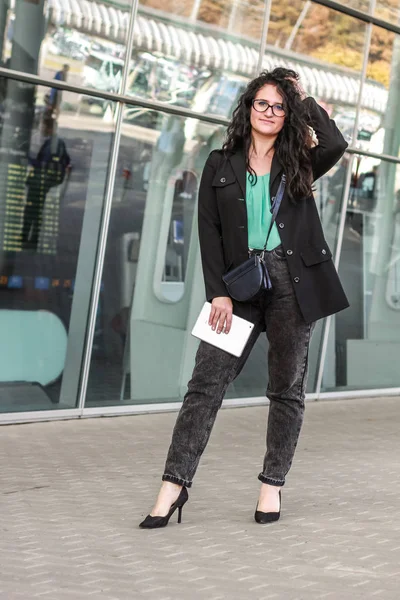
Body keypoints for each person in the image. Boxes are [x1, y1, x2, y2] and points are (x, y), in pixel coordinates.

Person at [139, 68, 349, 529]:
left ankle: (271, 486)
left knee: (285, 389)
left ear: (287, 111)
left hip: (293, 282)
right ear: (248, 108)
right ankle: (173, 486)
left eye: (280, 105)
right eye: (263, 104)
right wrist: (219, 294)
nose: (270, 112)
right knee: (205, 384)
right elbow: (208, 232)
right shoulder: (220, 162)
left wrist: (304, 98)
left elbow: (336, 142)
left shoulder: (301, 160)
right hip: (238, 285)